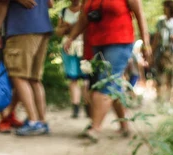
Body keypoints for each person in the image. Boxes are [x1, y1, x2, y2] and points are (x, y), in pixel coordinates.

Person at [64, 0, 151, 142]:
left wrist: (146, 44)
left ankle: (95, 127)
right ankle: (125, 126)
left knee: (106, 82)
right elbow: (84, 18)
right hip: (97, 42)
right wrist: (71, 37)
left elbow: (139, 14)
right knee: (113, 84)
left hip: (120, 42)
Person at [0, 0, 53, 136]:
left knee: (18, 76)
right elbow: (50, 3)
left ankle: (33, 121)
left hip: (22, 28)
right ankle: (41, 121)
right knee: (33, 78)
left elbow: (2, 3)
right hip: (42, 27)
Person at [55, 0, 89, 119]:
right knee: (72, 78)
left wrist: (72, 26)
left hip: (84, 45)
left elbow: (86, 26)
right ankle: (75, 107)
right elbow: (58, 31)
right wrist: (66, 27)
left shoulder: (85, 9)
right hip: (68, 47)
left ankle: (87, 105)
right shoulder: (63, 12)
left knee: (86, 79)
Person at [152, 1, 173, 106]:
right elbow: (156, 40)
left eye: (166, 7)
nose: (164, 9)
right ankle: (161, 100)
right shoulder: (160, 22)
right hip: (162, 53)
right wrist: (151, 53)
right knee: (160, 78)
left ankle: (172, 101)